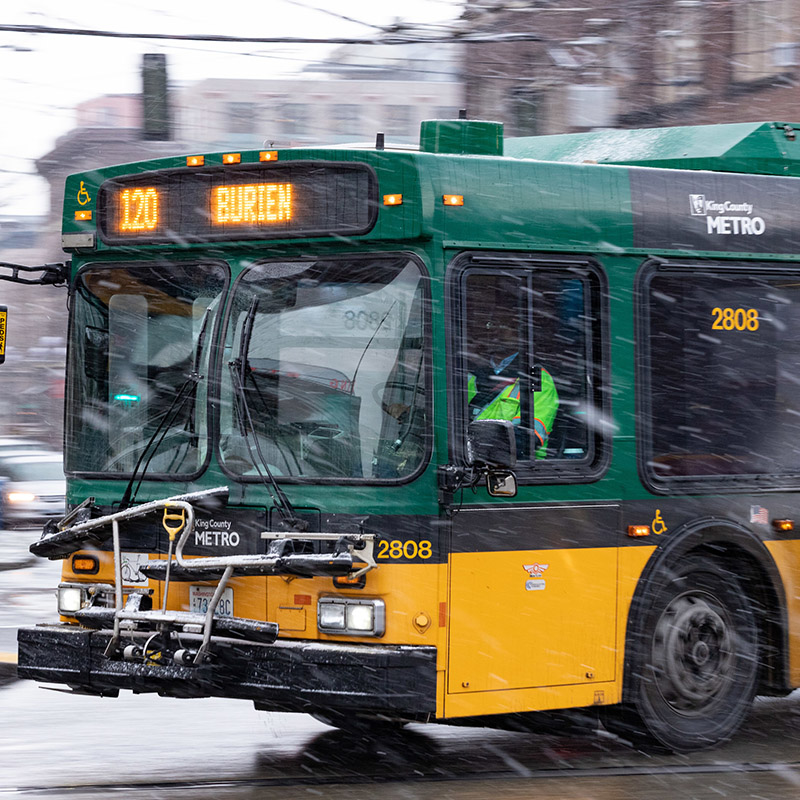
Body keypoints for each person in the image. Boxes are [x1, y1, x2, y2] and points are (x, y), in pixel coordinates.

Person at [466, 310, 559, 458]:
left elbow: (526, 438)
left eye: (505, 325)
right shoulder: (469, 375)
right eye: (492, 324)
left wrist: (468, 444)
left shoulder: (537, 378)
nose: (496, 330)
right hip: (469, 466)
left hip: (519, 472)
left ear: (521, 334)